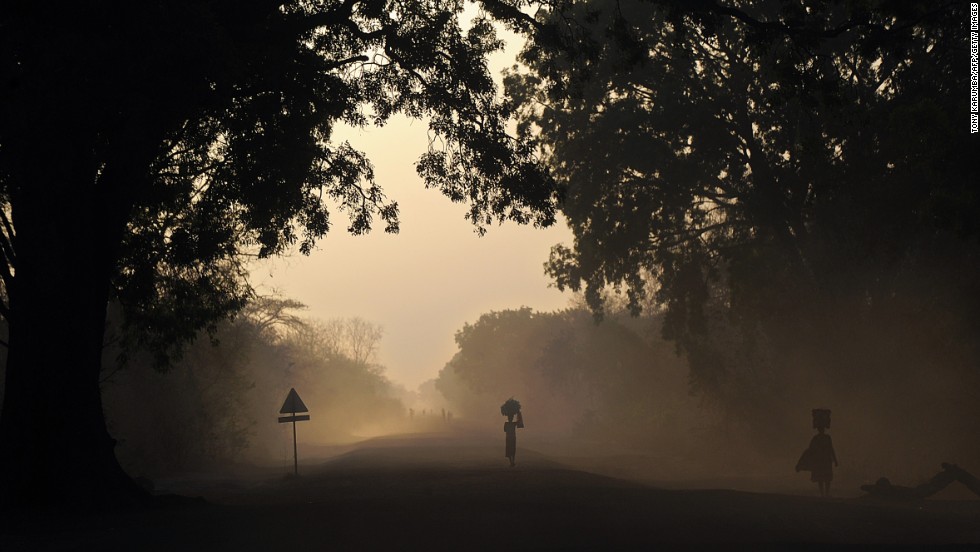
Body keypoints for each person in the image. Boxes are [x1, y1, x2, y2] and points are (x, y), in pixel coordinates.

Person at [796, 409, 838, 497]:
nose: (821, 430)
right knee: (822, 478)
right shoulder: (821, 438)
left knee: (825, 478)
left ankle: (825, 494)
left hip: (824, 460)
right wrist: (835, 460)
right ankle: (824, 494)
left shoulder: (823, 438)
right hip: (822, 460)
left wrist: (835, 460)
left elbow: (830, 449)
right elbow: (812, 450)